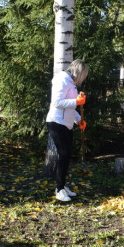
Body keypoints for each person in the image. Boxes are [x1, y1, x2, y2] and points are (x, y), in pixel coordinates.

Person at [46, 59, 88, 202]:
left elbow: (70, 107)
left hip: (66, 124)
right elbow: (57, 103)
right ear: (78, 72)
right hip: (56, 122)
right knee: (63, 155)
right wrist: (77, 101)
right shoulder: (62, 80)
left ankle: (62, 186)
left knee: (67, 156)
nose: (82, 80)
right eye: (82, 76)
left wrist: (79, 120)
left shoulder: (71, 83)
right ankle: (59, 189)